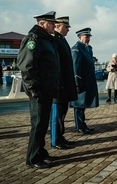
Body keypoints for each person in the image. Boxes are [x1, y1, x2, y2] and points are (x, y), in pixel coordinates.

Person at [17, 11, 60, 169]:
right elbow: (27, 67)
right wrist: (33, 89)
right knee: (38, 124)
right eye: (52, 23)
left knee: (43, 124)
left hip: (47, 89)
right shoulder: (33, 39)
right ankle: (32, 158)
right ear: (42, 23)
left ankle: (40, 152)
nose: (55, 26)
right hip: (39, 90)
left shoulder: (46, 39)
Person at [50, 16, 78, 150]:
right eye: (65, 27)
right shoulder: (54, 39)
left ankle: (60, 137)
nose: (67, 30)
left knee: (62, 113)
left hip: (65, 84)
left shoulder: (62, 39)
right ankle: (55, 140)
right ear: (57, 26)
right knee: (56, 114)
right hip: (59, 85)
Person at [70, 28, 99, 134]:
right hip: (81, 81)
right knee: (78, 105)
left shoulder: (87, 49)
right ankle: (79, 126)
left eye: (89, 37)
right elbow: (75, 66)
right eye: (86, 37)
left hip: (88, 81)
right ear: (79, 37)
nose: (88, 39)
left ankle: (83, 124)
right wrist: (77, 82)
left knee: (83, 105)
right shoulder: (76, 49)